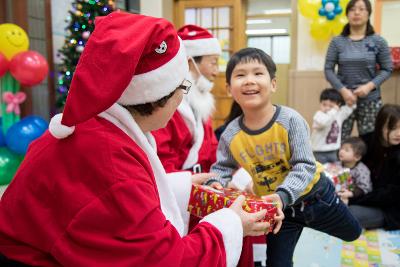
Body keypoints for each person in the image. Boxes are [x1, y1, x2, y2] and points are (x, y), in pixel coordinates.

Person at [0, 12, 270, 267]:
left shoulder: (97, 124)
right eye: (181, 88)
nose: (181, 100)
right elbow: (167, 260)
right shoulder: (112, 164)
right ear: (157, 94)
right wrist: (232, 224)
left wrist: (178, 184)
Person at [206, 47, 362, 266]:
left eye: (258, 73)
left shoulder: (290, 120)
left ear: (273, 84)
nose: (249, 80)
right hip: (279, 211)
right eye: (241, 75)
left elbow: (304, 166)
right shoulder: (230, 133)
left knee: (353, 233)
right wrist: (215, 182)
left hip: (317, 197)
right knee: (277, 263)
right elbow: (222, 167)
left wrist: (283, 195)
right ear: (229, 87)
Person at [152, 24, 220, 175]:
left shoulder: (200, 100)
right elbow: (162, 157)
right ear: (190, 63)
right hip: (180, 185)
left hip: (202, 182)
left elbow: (212, 147)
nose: (216, 71)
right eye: (213, 63)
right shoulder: (166, 104)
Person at [324, 0, 393, 145]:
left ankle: (368, 168)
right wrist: (343, 91)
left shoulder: (378, 41)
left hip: (370, 100)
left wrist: (369, 86)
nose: (356, 12)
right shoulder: (337, 42)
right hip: (343, 100)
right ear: (347, 14)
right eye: (353, 9)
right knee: (338, 138)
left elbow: (387, 69)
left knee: (370, 140)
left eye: (361, 9)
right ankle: (339, 168)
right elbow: (328, 69)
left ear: (368, 14)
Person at [349, 104, 400, 230]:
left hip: (389, 208)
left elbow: (390, 194)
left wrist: (355, 199)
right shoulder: (367, 142)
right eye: (393, 128)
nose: (398, 133)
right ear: (380, 126)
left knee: (350, 213)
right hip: (367, 196)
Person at [311, 88, 355, 163]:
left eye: (331, 106)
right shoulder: (318, 115)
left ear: (338, 105)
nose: (327, 108)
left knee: (333, 171)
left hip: (334, 150)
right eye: (324, 104)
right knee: (321, 172)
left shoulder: (339, 114)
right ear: (320, 103)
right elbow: (324, 122)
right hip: (319, 151)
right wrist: (333, 110)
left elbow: (348, 109)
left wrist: (352, 101)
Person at [335, 137, 372, 204]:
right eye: (341, 148)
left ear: (357, 157)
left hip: (354, 198)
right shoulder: (338, 164)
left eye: (346, 150)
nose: (341, 151)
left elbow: (365, 188)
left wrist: (351, 193)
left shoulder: (361, 170)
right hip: (338, 191)